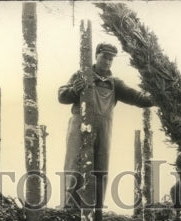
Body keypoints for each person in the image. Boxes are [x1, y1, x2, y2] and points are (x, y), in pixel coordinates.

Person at [59, 42, 153, 211]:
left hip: (104, 131)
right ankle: (69, 211)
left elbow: (138, 98)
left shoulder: (114, 83)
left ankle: (96, 214)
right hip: (79, 127)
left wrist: (158, 95)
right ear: (96, 56)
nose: (107, 62)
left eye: (111, 59)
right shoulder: (82, 75)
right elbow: (61, 95)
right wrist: (74, 91)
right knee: (75, 166)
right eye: (104, 57)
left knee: (100, 170)